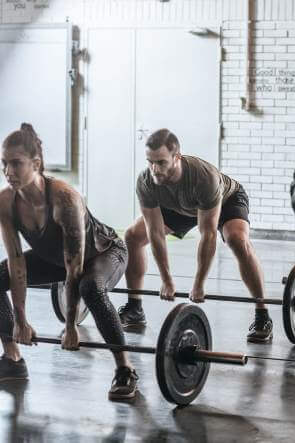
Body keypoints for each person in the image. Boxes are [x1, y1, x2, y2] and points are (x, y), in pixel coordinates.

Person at [0, 123, 138, 401]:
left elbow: (75, 267)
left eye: (16, 164)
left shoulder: (64, 198)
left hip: (104, 253)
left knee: (90, 288)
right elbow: (16, 263)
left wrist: (72, 325)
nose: (8, 172)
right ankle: (12, 357)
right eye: (3, 163)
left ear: (36, 163)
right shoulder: (5, 201)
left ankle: (125, 367)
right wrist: (21, 322)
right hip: (56, 258)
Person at [118, 129, 272, 342]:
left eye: (161, 162)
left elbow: (208, 234)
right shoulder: (147, 181)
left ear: (177, 158)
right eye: (150, 162)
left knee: (237, 240)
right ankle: (135, 308)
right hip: (181, 208)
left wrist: (199, 284)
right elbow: (155, 232)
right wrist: (166, 280)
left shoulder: (203, 178)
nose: (155, 169)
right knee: (133, 236)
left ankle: (262, 313)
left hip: (226, 201)